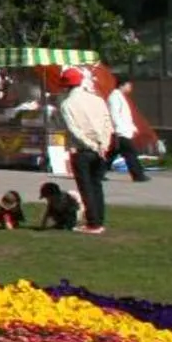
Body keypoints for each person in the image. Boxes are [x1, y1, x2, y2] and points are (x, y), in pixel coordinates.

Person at [55, 66, 115, 235]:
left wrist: (92, 145)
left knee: (86, 188)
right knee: (97, 186)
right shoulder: (97, 99)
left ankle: (93, 223)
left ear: (67, 86)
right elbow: (107, 123)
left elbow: (74, 130)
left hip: (83, 150)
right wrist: (104, 144)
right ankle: (99, 220)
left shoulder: (67, 104)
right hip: (102, 148)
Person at [105, 76, 151, 183]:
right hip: (120, 132)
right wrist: (119, 129)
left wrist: (132, 127)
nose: (130, 87)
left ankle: (98, 172)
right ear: (122, 85)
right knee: (131, 153)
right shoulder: (114, 97)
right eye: (129, 85)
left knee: (112, 153)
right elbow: (114, 115)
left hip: (124, 131)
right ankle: (138, 175)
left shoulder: (120, 97)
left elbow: (125, 116)